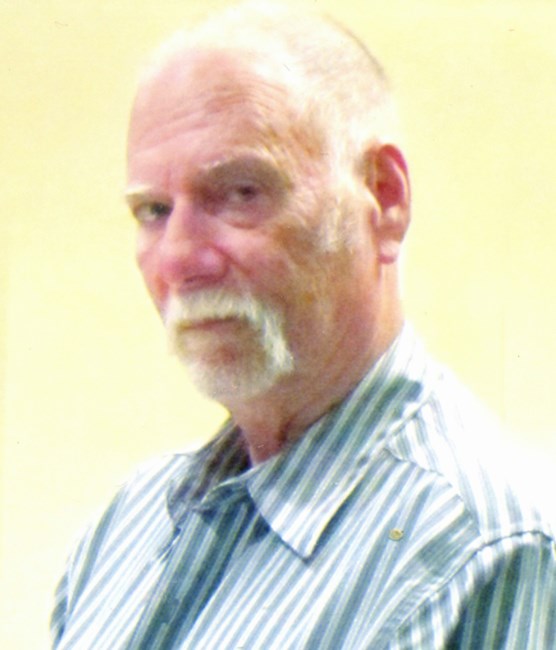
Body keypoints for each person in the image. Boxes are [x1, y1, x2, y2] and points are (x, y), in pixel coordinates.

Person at [51, 2, 556, 648]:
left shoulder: (481, 551)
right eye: (153, 210)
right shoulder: (127, 527)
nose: (179, 260)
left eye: (241, 192)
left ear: (385, 198)